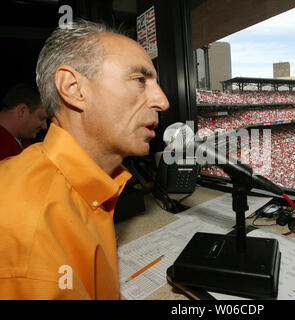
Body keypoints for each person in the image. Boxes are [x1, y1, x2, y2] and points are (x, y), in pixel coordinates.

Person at [0, 20, 169, 299]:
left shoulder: (84, 185)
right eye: (140, 80)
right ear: (74, 88)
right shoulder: (30, 230)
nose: (162, 101)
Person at [0, 83, 48, 160]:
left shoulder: (22, 141)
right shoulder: (4, 148)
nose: (44, 126)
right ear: (22, 111)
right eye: (41, 118)